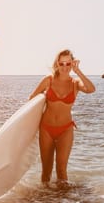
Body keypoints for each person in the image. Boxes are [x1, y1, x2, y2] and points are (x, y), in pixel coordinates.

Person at [29, 49, 96, 186]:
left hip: (65, 130)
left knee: (61, 170)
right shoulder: (48, 80)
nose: (65, 67)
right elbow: (31, 99)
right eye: (62, 63)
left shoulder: (75, 83)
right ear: (57, 64)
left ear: (72, 64)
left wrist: (78, 72)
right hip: (46, 129)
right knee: (46, 171)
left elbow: (91, 89)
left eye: (68, 63)